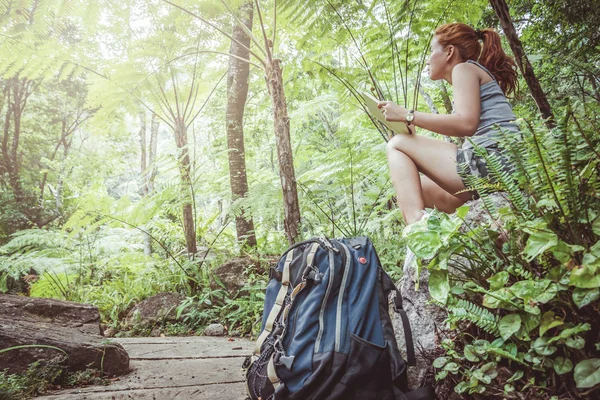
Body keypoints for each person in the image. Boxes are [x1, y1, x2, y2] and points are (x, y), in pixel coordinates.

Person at [377, 23, 519, 270]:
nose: (428, 60)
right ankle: (436, 228)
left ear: (450, 52)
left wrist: (408, 115)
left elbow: (466, 124)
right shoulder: (470, 75)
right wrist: (410, 124)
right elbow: (467, 125)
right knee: (415, 189)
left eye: (433, 50)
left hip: (494, 163)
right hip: (494, 171)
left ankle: (419, 232)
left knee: (397, 144)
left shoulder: (464, 69)